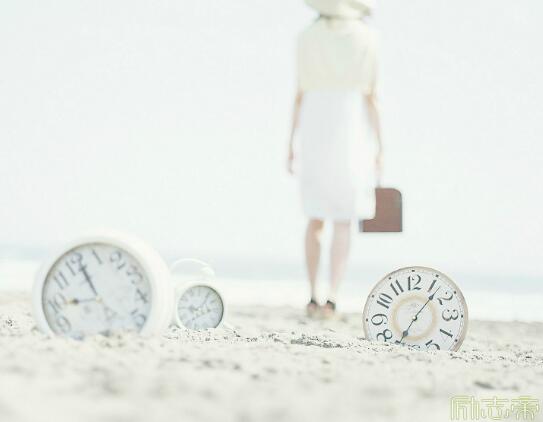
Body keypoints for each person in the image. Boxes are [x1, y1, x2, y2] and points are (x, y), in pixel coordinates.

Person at [287, 0, 383, 317]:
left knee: (315, 216)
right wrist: (381, 147)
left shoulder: (306, 37)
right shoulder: (367, 37)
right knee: (344, 219)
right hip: (351, 128)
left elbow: (299, 94)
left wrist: (290, 143)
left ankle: (312, 294)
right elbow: (372, 97)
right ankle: (333, 296)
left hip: (314, 126)